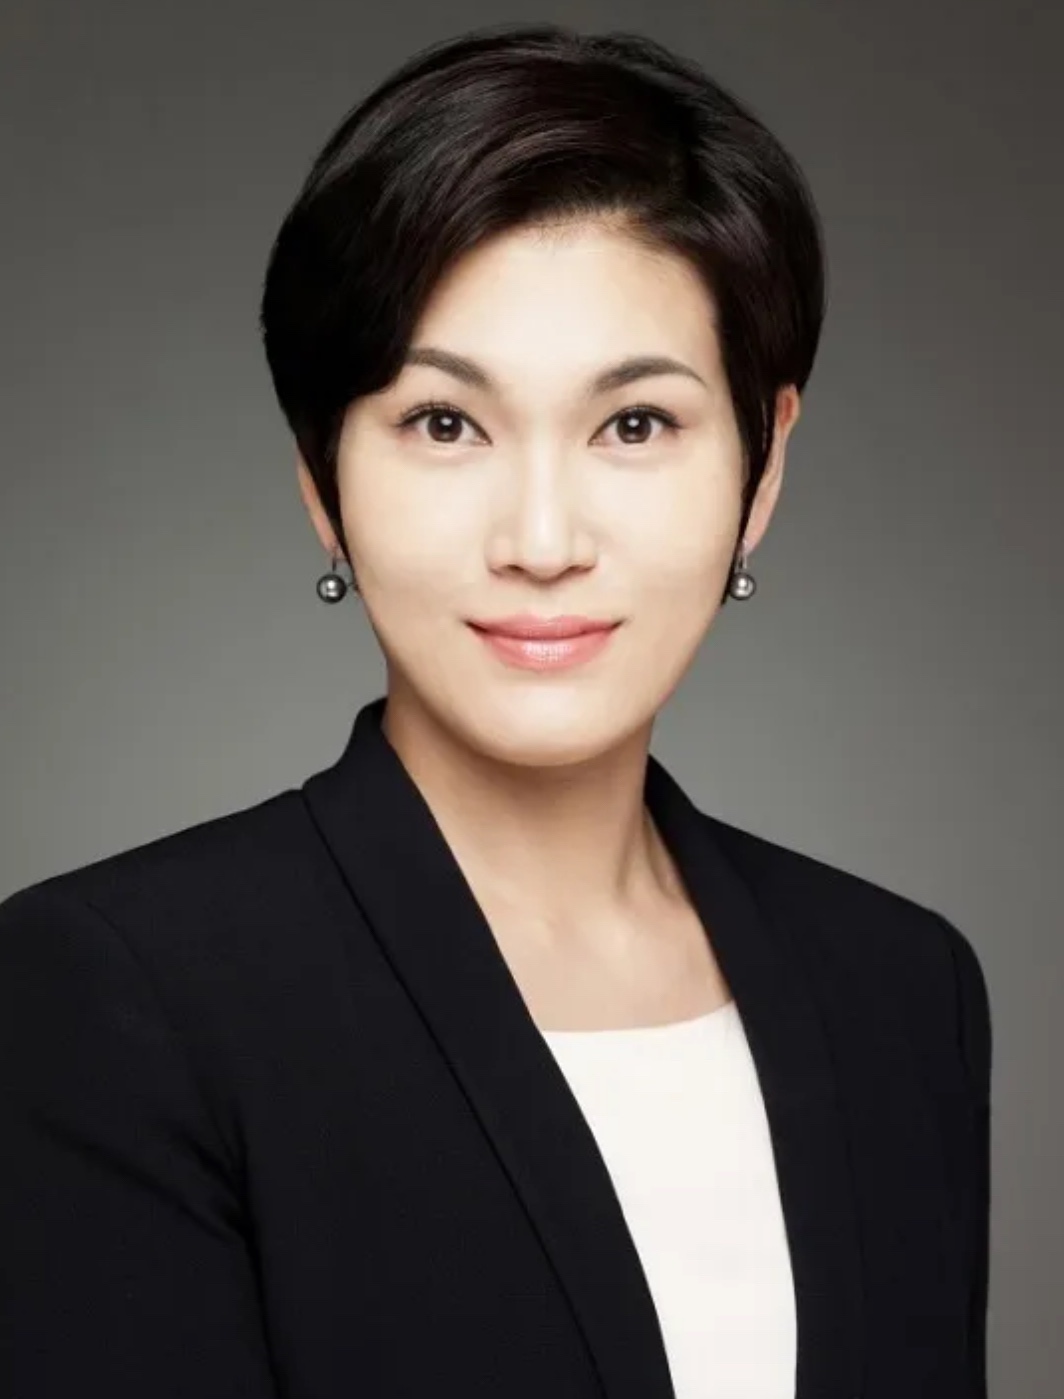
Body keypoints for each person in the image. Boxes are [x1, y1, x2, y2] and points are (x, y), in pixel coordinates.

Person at [0, 22, 991, 1399]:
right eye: (444, 424)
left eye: (635, 425)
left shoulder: (901, 989)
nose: (541, 540)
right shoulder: (119, 995)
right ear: (322, 481)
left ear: (761, 471)